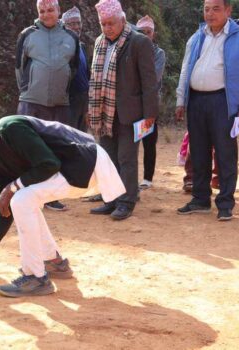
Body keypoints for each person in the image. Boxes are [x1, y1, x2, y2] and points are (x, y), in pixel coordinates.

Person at [0, 98, 125, 297]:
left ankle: (35, 277)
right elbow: (6, 209)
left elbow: (49, 163)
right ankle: (54, 262)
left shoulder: (10, 129)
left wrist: (13, 186)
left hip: (84, 163)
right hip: (72, 169)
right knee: (21, 200)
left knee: (21, 198)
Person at [88, 0, 158, 220]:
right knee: (108, 158)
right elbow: (94, 79)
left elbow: (149, 81)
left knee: (126, 158)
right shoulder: (100, 42)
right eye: (103, 24)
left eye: (111, 23)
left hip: (131, 113)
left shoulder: (139, 42)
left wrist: (150, 114)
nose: (107, 28)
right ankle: (111, 200)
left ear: (122, 19)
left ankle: (126, 202)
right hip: (104, 111)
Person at [175, 0, 239, 221]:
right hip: (196, 101)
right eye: (206, 9)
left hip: (223, 102)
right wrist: (180, 100)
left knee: (225, 153)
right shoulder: (197, 37)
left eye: (216, 9)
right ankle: (201, 199)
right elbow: (186, 68)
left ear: (228, 10)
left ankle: (225, 203)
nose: (210, 14)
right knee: (199, 152)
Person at [15, 0, 80, 211]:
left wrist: (63, 89)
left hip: (60, 104)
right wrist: (27, 90)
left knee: (55, 150)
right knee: (28, 149)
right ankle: (27, 196)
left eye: (50, 10)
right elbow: (19, 67)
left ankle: (51, 197)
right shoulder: (27, 35)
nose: (46, 14)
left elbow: (74, 68)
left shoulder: (71, 37)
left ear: (58, 11)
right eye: (42, 11)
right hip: (31, 103)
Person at [136, 15, 166, 190]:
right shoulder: (132, 49)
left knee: (148, 141)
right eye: (142, 32)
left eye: (148, 32)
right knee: (130, 143)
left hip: (149, 104)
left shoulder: (158, 53)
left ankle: (147, 178)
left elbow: (153, 79)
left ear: (153, 34)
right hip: (133, 105)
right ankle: (129, 178)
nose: (145, 35)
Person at [62, 6, 90, 132]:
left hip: (84, 100)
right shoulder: (61, 47)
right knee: (70, 136)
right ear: (64, 26)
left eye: (78, 23)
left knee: (83, 136)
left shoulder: (82, 46)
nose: (76, 27)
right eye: (72, 24)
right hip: (70, 100)